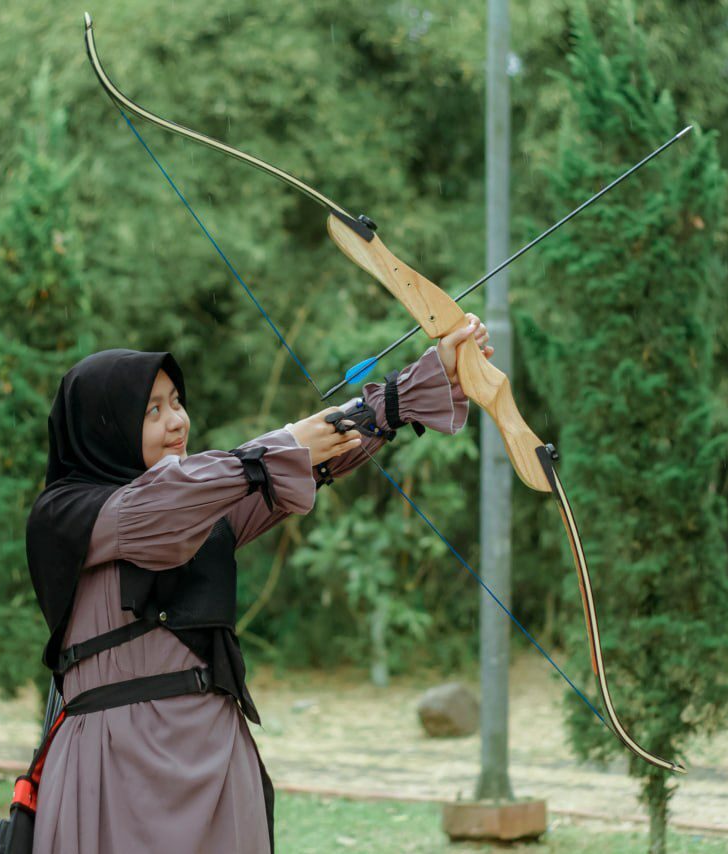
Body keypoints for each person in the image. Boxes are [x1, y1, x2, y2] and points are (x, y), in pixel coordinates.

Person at [25, 313, 491, 854]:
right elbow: (171, 501)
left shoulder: (205, 493)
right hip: (116, 759)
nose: (177, 421)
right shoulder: (69, 512)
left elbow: (306, 464)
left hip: (214, 747)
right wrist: (287, 444)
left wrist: (420, 385)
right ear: (103, 425)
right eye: (152, 410)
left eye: (176, 401)